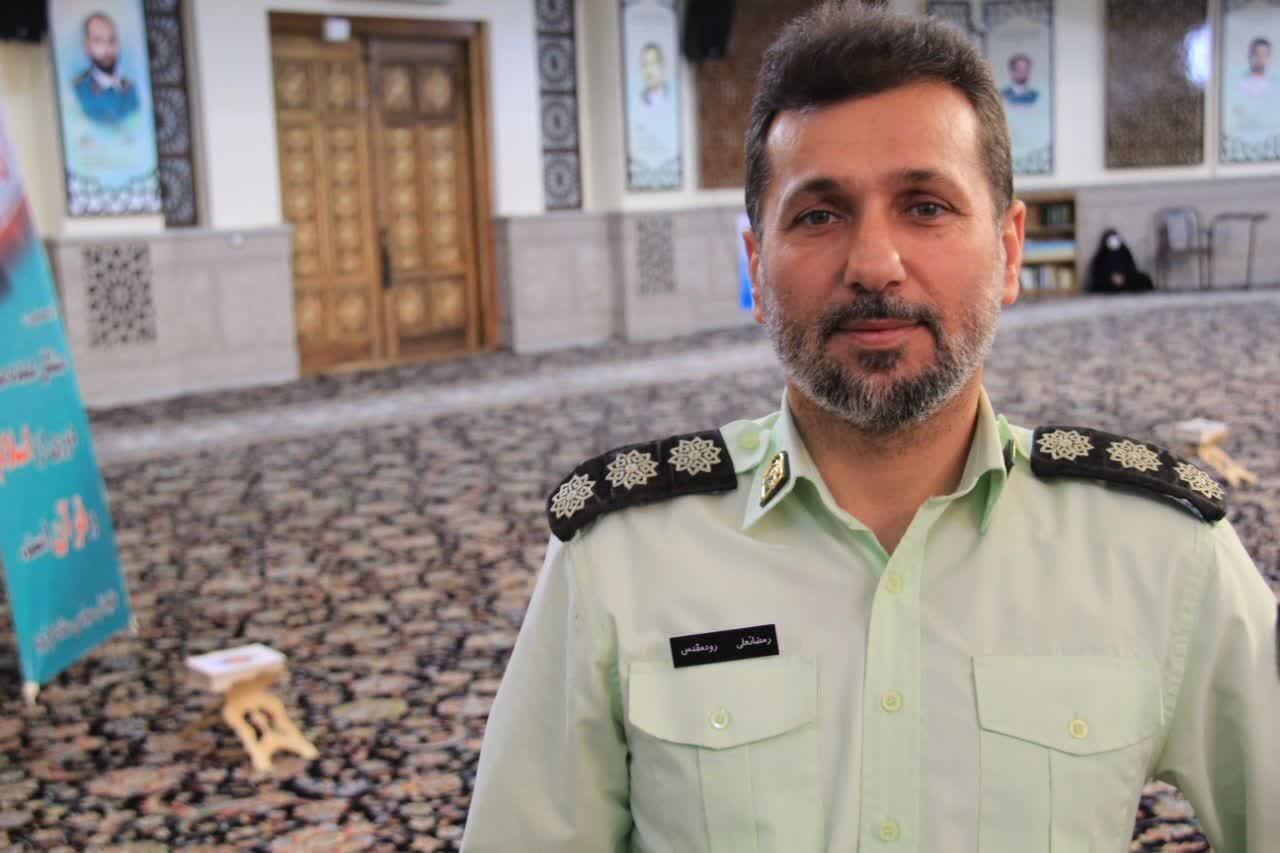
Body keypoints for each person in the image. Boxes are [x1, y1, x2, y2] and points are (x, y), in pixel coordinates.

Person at [461, 4, 1279, 851]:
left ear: (1008, 250)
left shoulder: (1156, 550)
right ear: (756, 266)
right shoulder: (622, 558)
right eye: (819, 215)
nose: (874, 265)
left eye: (925, 206)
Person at [72, 13, 140, 126]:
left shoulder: (130, 89)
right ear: (87, 46)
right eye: (98, 41)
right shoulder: (79, 89)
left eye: (111, 40)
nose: (107, 49)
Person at [1087, 228, 1154, 293]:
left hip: (1126, 281)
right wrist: (1111, 278)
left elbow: (1131, 268)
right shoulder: (1101, 255)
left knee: (1144, 279)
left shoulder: (1125, 252)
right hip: (1107, 284)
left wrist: (1124, 277)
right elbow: (1097, 272)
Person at [639, 43, 669, 109]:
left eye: (653, 63)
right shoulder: (639, 100)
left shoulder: (670, 95)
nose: (648, 69)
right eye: (644, 64)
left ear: (662, 66)